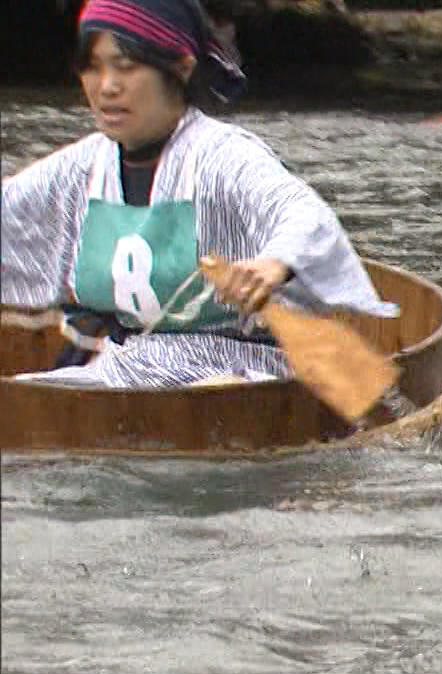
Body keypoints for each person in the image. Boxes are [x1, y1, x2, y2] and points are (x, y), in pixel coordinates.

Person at [1, 0, 393, 388]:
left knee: (216, 392)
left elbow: (302, 213)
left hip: (239, 371)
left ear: (181, 68)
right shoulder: (78, 167)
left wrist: (271, 265)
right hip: (125, 366)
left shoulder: (223, 156)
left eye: (126, 66)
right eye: (93, 66)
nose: (106, 87)